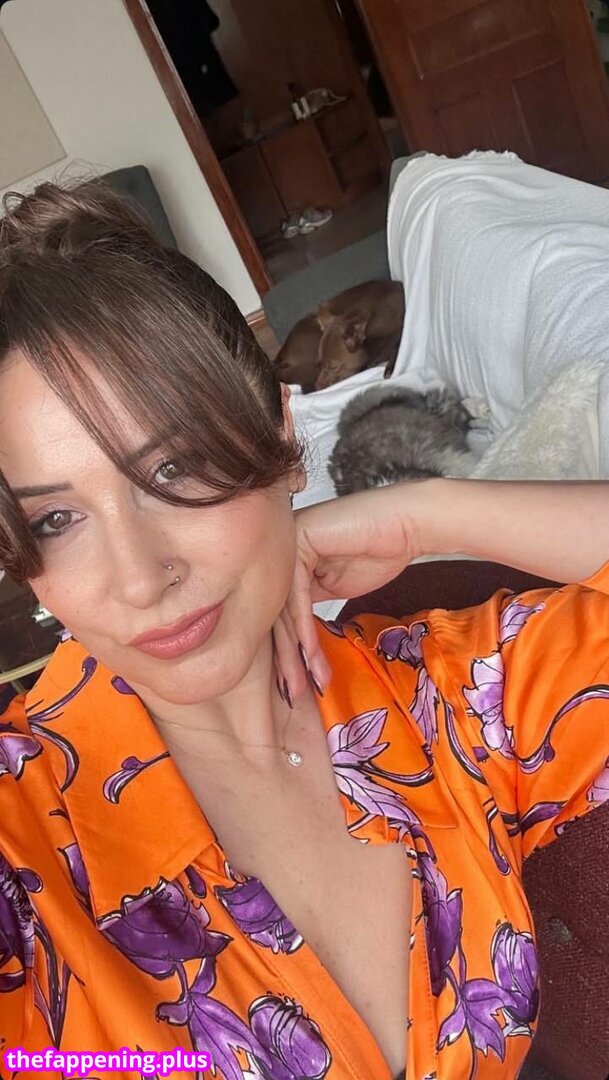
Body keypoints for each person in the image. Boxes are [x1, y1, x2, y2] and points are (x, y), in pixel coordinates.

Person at [0, 180, 607, 1080]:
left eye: (175, 469)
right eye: (55, 520)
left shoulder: (448, 699)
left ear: (283, 435)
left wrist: (426, 515)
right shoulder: (25, 842)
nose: (139, 578)